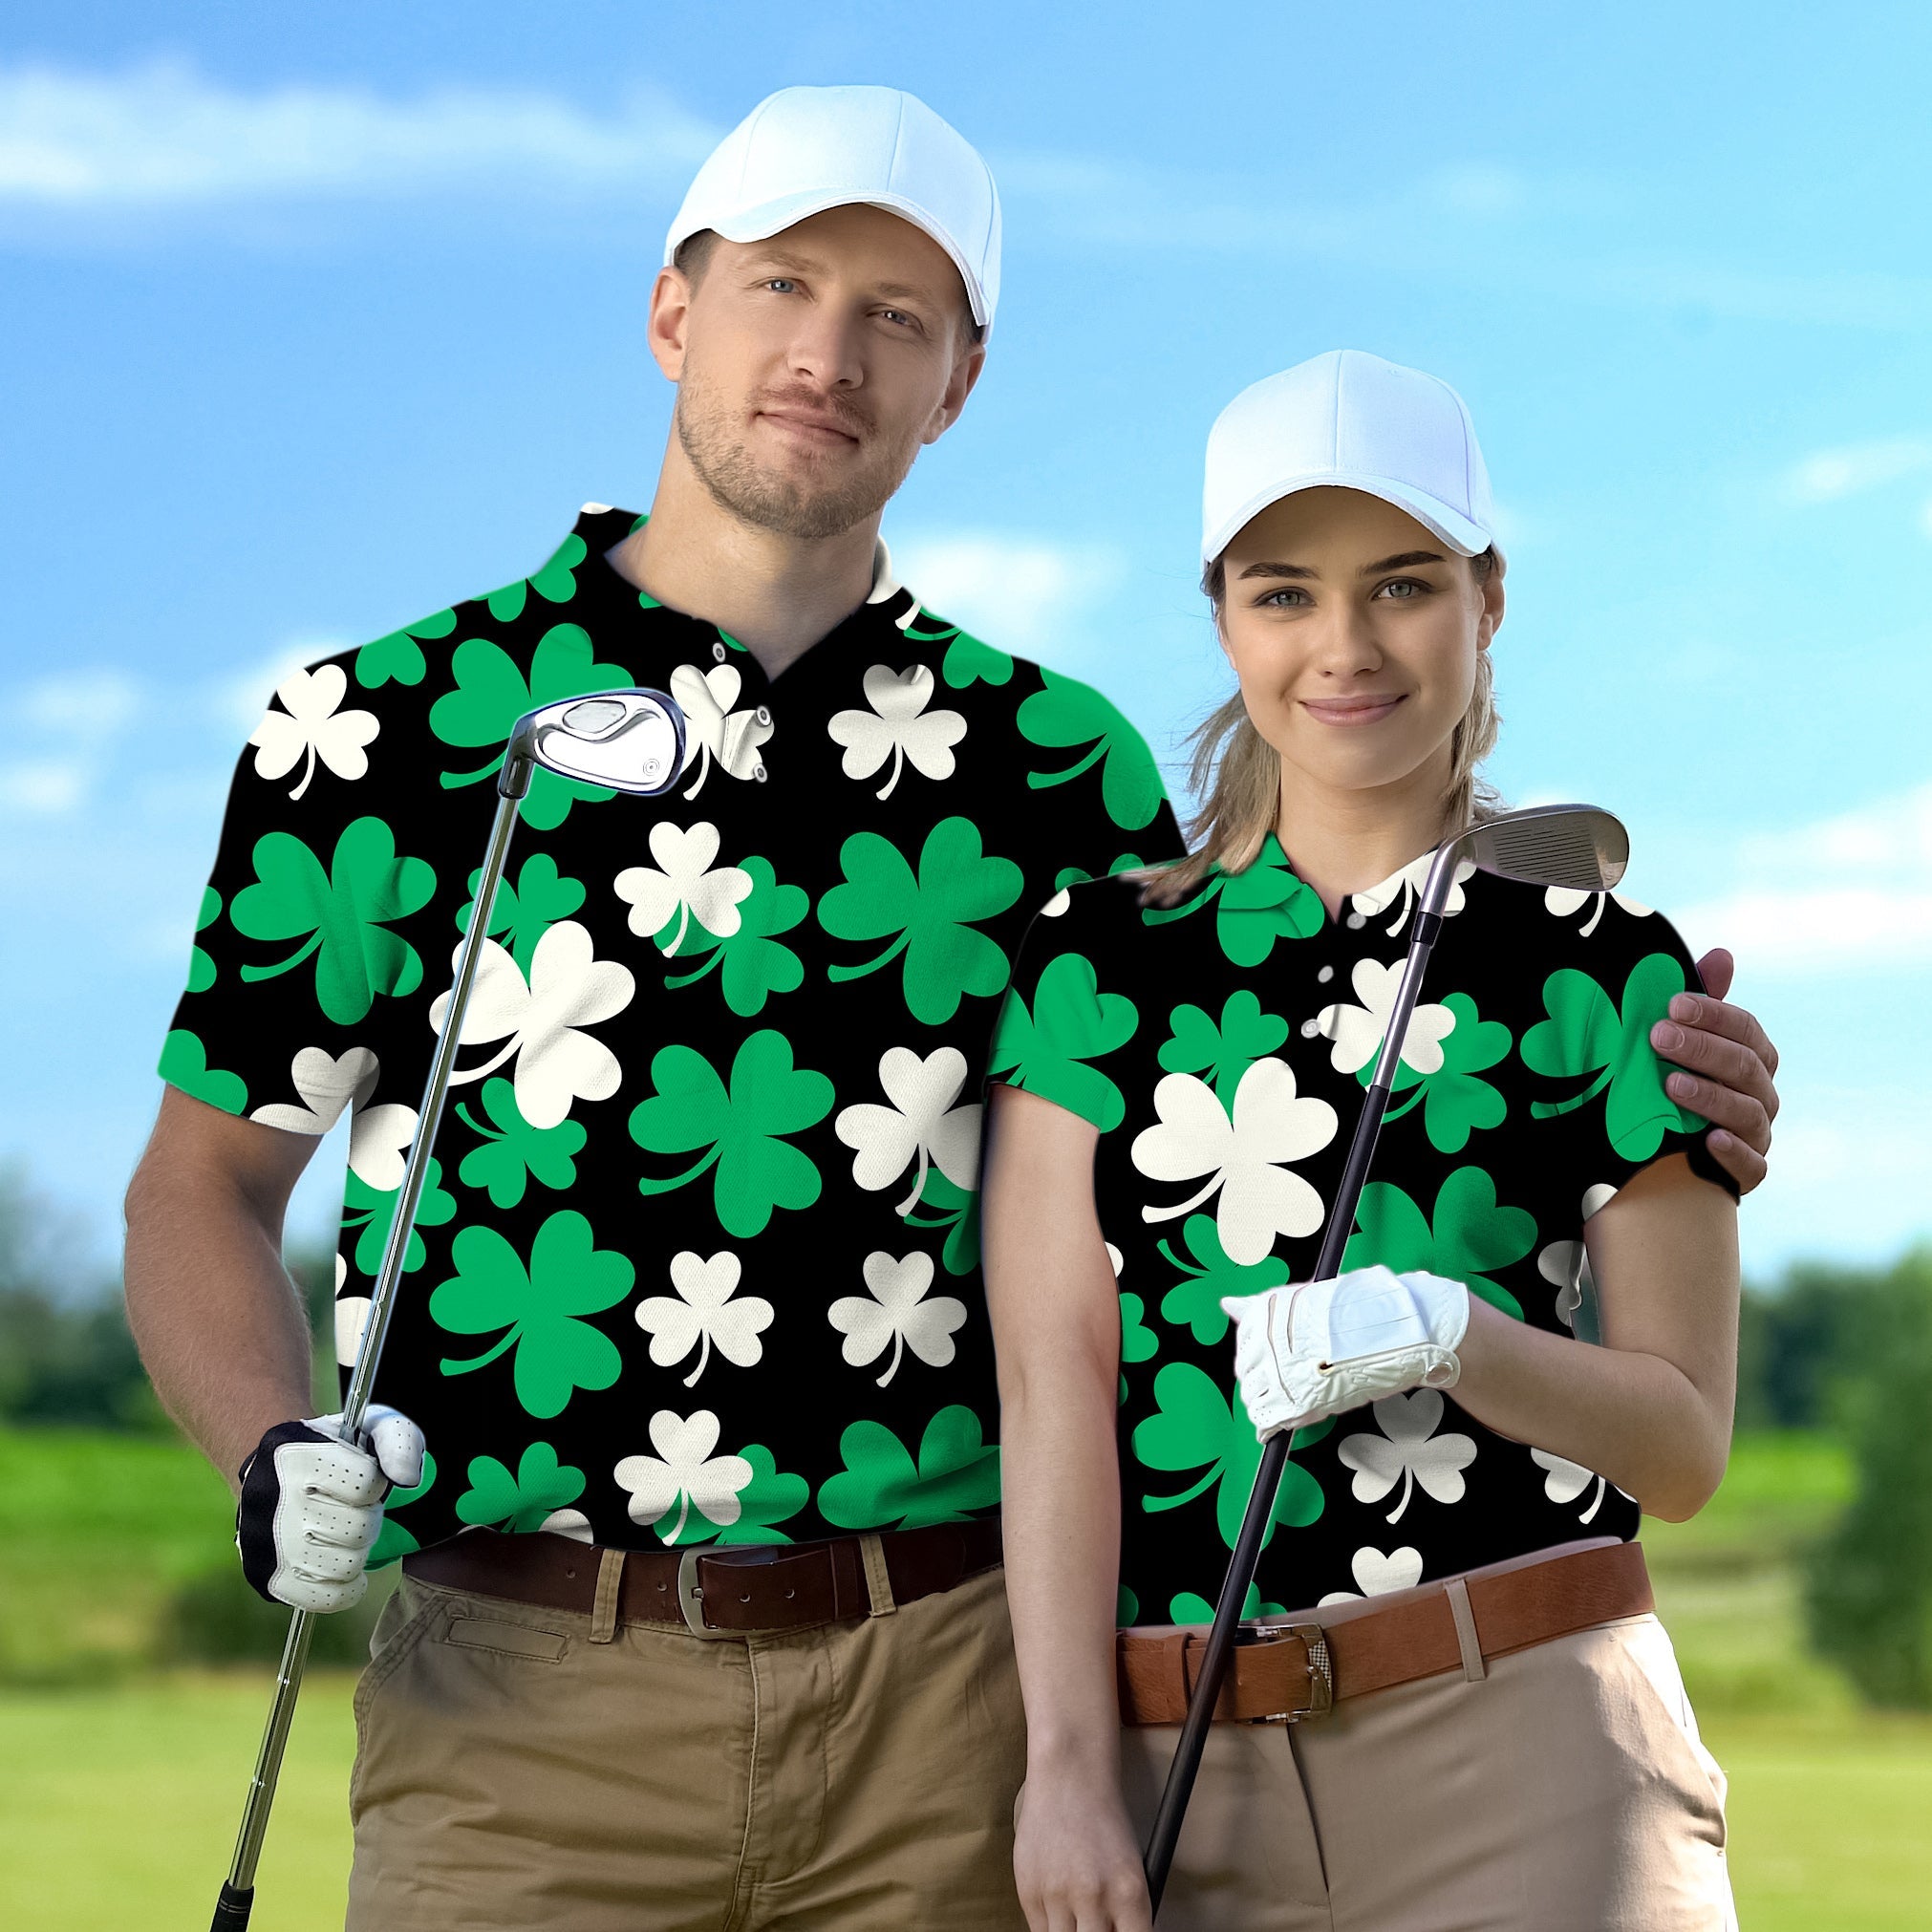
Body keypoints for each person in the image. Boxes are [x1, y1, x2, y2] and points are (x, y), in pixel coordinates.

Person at [118, 84, 1777, 1926]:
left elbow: (1246, 1127)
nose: (827, 354)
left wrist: (1652, 1082)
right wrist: (271, 1447)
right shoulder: (384, 727)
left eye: (894, 316)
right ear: (673, 310)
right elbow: (198, 1187)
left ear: (960, 379)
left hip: (949, 1696)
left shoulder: (1051, 767)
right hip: (517, 1701)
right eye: (780, 287)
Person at [984, 351, 1750, 1930]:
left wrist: (1445, 1333)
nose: (1342, 647)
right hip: (1178, 1768)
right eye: (1283, 594)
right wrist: (1062, 1763)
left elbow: (1678, 1449)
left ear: (1485, 600)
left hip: (1532, 1739)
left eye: (1400, 584)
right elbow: (1051, 1385)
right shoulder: (1093, 968)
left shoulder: (1606, 966)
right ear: (1220, 618)